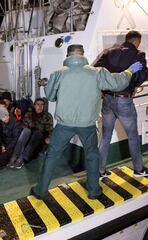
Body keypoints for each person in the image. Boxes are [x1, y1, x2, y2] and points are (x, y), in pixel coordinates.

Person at [30, 44, 142, 200]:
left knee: (52, 156)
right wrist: (129, 71)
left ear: (68, 56)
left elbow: (50, 96)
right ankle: (94, 191)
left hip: (64, 124)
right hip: (87, 125)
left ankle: (41, 191)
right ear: (82, 55)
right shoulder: (97, 72)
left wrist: (53, 87)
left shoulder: (58, 74)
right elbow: (117, 83)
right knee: (92, 156)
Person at [94, 31, 148, 178]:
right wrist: (133, 85)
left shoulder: (109, 52)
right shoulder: (138, 54)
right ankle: (139, 169)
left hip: (107, 99)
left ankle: (100, 171)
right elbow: (142, 76)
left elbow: (96, 70)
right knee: (133, 136)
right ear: (137, 41)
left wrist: (104, 87)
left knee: (106, 136)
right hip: (124, 101)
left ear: (126, 40)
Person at [9, 98, 53, 169]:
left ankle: (21, 159)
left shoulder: (47, 116)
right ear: (34, 105)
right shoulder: (28, 114)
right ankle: (13, 157)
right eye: (38, 104)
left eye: (42, 105)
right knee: (26, 130)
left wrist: (49, 138)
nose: (40, 107)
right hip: (28, 137)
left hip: (39, 140)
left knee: (37, 133)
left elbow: (50, 130)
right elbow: (23, 127)